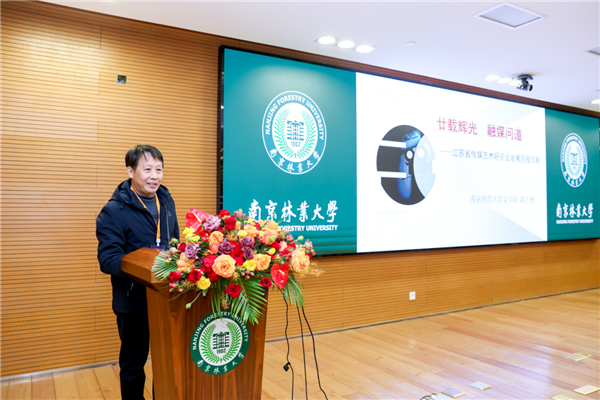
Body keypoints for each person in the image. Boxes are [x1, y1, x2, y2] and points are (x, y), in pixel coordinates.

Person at [96, 145, 179, 400]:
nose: (155, 176)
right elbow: (108, 260)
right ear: (131, 171)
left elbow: (174, 242)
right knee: (133, 365)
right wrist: (146, 265)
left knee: (168, 361)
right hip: (133, 301)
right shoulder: (113, 211)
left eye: (159, 169)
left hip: (166, 296)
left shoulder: (166, 201)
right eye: (147, 169)